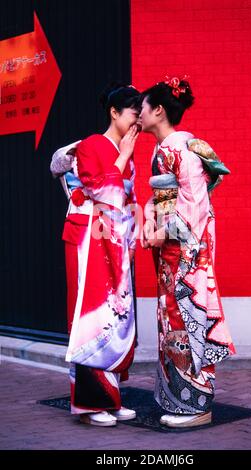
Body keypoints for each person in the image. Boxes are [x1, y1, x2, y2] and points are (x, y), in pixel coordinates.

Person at [140, 76, 235, 428]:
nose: (140, 114)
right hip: (168, 249)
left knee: (187, 318)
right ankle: (178, 401)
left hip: (187, 251)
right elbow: (158, 197)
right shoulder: (163, 149)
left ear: (159, 111)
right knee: (169, 320)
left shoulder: (185, 150)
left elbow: (194, 207)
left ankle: (197, 405)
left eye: (144, 108)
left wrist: (161, 230)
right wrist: (149, 220)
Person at [50, 83, 141, 426]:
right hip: (89, 238)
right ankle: (89, 404)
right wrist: (122, 157)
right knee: (92, 313)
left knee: (116, 314)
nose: (136, 118)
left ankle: (110, 398)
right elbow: (100, 189)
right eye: (132, 110)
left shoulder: (123, 152)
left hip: (113, 239)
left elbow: (126, 200)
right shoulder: (91, 145)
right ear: (114, 113)